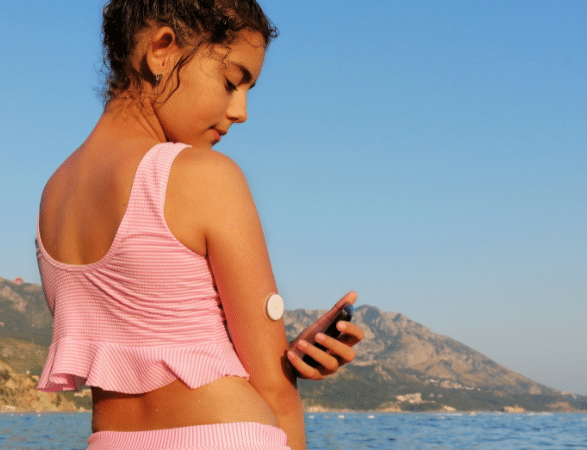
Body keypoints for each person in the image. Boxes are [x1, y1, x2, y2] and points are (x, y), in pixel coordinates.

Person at [35, 1, 364, 449]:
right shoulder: (203, 175)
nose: (241, 110)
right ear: (162, 50)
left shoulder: (53, 195)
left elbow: (155, 329)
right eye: (232, 82)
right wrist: (282, 377)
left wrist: (292, 355)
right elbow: (272, 389)